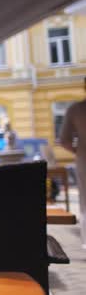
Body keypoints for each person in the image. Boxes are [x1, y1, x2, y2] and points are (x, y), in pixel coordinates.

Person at [60, 77, 86, 249]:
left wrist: (79, 152)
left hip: (84, 159)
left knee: (85, 202)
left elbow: (64, 140)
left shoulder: (76, 110)